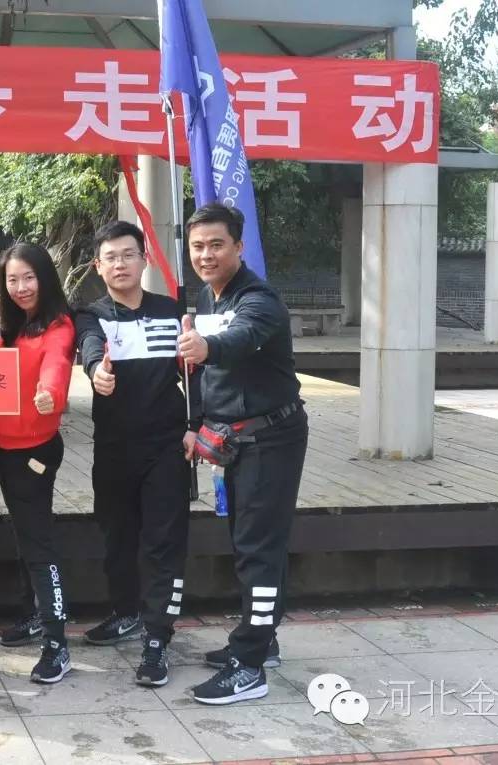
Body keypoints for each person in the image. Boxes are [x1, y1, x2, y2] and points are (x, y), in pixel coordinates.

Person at [175, 203, 307, 706]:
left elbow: (240, 339)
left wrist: (206, 347)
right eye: (198, 247)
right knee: (248, 542)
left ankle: (249, 665)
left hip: (272, 439)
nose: (205, 255)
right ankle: (262, 639)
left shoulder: (260, 299)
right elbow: (203, 377)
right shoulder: (207, 298)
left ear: (238, 247)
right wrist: (195, 426)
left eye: (216, 244)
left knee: (259, 549)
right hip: (233, 441)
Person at [74, 221, 194, 687]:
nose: (120, 264)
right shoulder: (92, 315)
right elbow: (90, 348)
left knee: (164, 542)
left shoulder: (172, 311)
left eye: (128, 254)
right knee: (117, 537)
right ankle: (126, 613)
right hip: (114, 448)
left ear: (144, 259)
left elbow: (196, 375)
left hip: (167, 447)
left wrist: (197, 425)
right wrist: (95, 372)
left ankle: (157, 638)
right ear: (97, 266)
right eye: (111, 257)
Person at [0, 242, 76, 683]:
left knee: (39, 543)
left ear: (45, 278)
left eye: (29, 277)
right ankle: (36, 615)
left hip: (34, 452)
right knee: (25, 536)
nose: (21, 287)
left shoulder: (58, 325)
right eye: (12, 279)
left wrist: (51, 395)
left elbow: (56, 366)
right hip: (6, 449)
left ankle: (57, 643)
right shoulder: (11, 327)